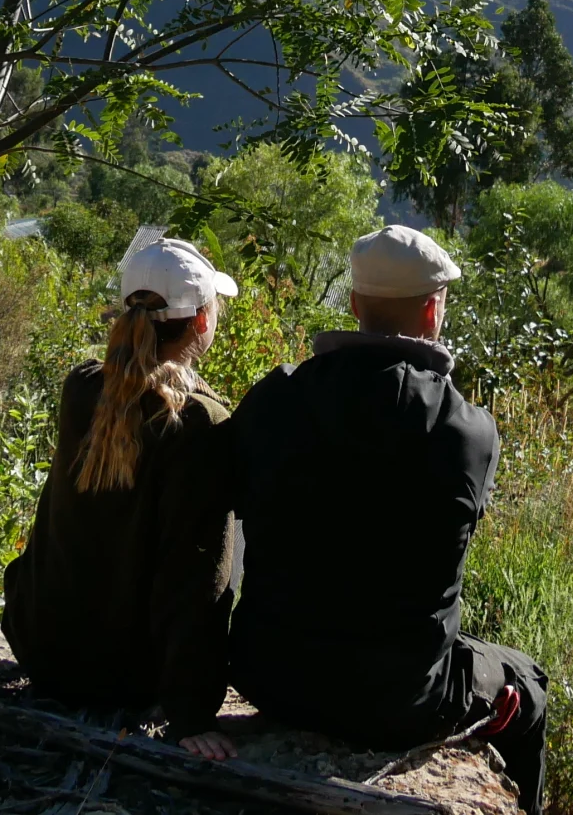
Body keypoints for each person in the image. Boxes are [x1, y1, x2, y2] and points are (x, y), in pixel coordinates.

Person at [227, 224, 549, 813]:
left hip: (268, 673)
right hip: (401, 699)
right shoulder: (467, 432)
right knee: (528, 681)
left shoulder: (272, 401)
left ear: (353, 305)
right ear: (432, 310)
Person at [2, 227, 242, 758]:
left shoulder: (82, 386)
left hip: (40, 650)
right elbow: (197, 574)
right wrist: (191, 715)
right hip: (124, 680)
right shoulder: (201, 424)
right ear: (202, 319)